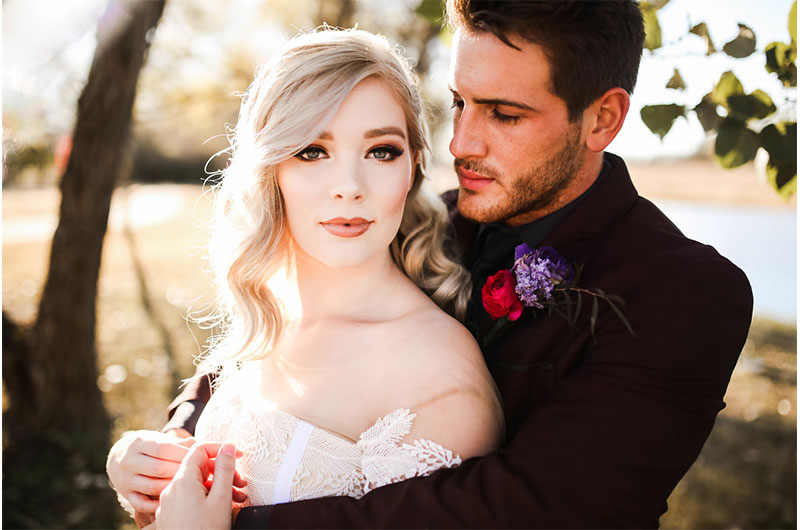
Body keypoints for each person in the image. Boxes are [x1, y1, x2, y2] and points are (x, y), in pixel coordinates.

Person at [118, 1, 756, 527]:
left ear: (602, 119)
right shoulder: (401, 221)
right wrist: (167, 447)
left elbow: (538, 509)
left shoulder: (684, 292)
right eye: (459, 103)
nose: (461, 144)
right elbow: (282, 334)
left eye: (505, 113)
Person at [106, 27, 504, 527]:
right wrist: (142, 470)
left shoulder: (438, 379)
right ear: (270, 169)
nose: (349, 188)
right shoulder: (267, 319)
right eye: (312, 151)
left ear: (414, 167)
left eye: (381, 150)